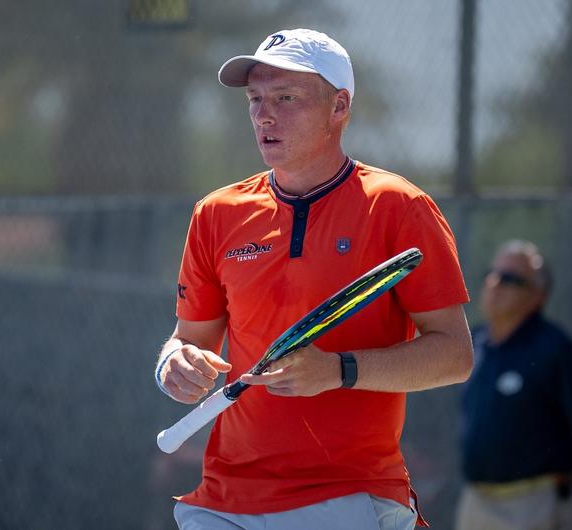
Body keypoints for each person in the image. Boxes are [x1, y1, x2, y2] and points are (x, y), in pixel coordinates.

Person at [154, 28, 475, 530]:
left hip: (349, 496)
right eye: (256, 99)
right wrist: (174, 363)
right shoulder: (215, 213)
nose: (264, 114)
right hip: (222, 502)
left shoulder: (398, 207)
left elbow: (455, 356)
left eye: (286, 98)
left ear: (339, 106)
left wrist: (338, 370)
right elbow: (187, 339)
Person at [455, 240, 572, 530]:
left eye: (510, 278)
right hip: (476, 500)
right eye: (493, 273)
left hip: (534, 505)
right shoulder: (474, 342)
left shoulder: (556, 349)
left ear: (537, 296)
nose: (495, 283)